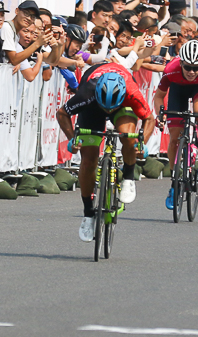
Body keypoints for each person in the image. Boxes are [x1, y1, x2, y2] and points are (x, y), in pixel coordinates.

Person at [57, 62, 150, 242]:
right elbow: (62, 113)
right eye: (106, 108)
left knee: (128, 136)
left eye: (111, 108)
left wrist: (141, 143)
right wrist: (72, 139)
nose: (109, 112)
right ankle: (88, 213)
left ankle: (129, 178)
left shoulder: (131, 92)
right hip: (93, 106)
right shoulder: (87, 92)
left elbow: (149, 118)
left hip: (123, 105)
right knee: (89, 159)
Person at [152, 39, 198, 211]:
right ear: (181, 63)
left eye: (195, 68)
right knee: (174, 138)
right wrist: (160, 115)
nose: (192, 72)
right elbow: (159, 97)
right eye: (188, 67)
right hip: (178, 89)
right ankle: (174, 182)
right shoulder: (171, 70)